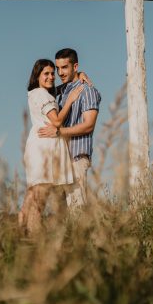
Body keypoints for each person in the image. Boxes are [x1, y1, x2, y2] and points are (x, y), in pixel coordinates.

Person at [19, 59, 84, 233]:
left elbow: (65, 86)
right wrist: (70, 100)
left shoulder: (43, 94)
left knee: (33, 195)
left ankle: (20, 234)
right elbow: (56, 120)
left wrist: (80, 75)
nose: (50, 77)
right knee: (40, 195)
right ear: (37, 76)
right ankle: (34, 239)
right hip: (43, 147)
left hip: (44, 145)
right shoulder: (40, 93)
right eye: (45, 74)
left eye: (51, 74)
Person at [39, 48, 101, 208]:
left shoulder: (87, 91)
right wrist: (80, 75)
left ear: (75, 66)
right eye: (58, 68)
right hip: (60, 160)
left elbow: (89, 125)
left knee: (77, 210)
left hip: (76, 157)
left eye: (64, 67)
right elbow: (40, 88)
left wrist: (58, 132)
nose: (60, 73)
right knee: (59, 216)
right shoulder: (63, 92)